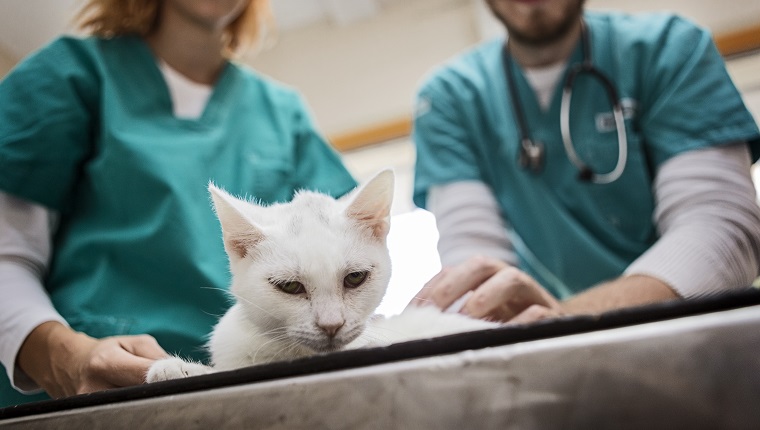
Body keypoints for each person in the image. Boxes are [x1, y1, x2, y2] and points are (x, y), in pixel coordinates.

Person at [0, 0, 357, 407]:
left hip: (247, 393)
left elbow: (349, 259)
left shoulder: (281, 113)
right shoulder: (71, 77)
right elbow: (8, 258)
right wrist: (60, 356)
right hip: (87, 396)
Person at [409, 0, 760, 322]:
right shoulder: (448, 98)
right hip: (543, 347)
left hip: (689, 332)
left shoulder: (669, 48)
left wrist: (570, 319)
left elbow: (720, 229)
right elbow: (475, 264)